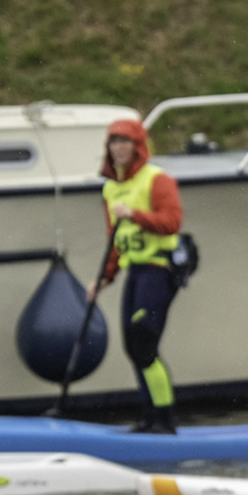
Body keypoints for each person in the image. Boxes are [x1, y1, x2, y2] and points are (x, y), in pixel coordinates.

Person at [93, 119, 183, 434]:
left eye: (125, 141)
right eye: (113, 141)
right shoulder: (110, 188)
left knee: (145, 345)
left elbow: (171, 222)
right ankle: (148, 418)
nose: (118, 147)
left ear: (137, 146)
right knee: (132, 347)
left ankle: (165, 420)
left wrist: (135, 214)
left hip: (158, 270)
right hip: (134, 272)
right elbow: (115, 240)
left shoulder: (157, 180)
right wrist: (105, 278)